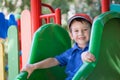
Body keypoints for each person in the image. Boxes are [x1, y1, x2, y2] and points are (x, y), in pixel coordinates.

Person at [22, 13, 96, 80]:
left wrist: (86, 55)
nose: (81, 33)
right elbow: (54, 60)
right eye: (76, 31)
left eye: (85, 29)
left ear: (92, 31)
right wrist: (34, 66)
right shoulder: (70, 53)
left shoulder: (95, 47)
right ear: (71, 35)